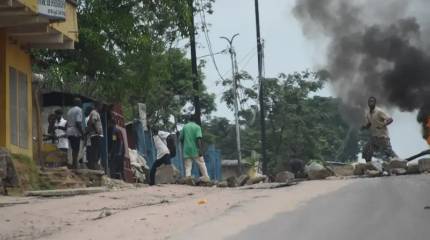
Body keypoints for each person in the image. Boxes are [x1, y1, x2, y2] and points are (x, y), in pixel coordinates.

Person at [361, 97, 398, 162]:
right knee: (366, 150)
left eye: (372, 101)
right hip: (375, 137)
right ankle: (369, 164)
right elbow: (370, 123)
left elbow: (390, 119)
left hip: (383, 137)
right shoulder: (368, 114)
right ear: (368, 103)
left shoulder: (379, 111)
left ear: (375, 103)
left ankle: (400, 162)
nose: (371, 103)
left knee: (389, 152)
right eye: (369, 101)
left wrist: (382, 125)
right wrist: (365, 127)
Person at [180, 115, 210, 181]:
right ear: (195, 120)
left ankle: (188, 179)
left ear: (189, 120)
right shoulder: (197, 127)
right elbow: (198, 139)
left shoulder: (185, 127)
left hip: (186, 149)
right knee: (201, 163)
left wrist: (184, 146)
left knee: (188, 166)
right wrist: (200, 150)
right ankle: (206, 177)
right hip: (195, 149)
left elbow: (181, 138)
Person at [66, 98, 84, 169]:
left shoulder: (70, 110)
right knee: (76, 149)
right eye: (80, 102)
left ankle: (74, 163)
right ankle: (75, 164)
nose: (81, 104)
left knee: (73, 148)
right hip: (75, 131)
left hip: (69, 131)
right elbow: (78, 123)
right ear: (78, 103)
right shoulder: (79, 110)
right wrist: (82, 133)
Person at [86, 102, 104, 170]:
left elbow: (89, 123)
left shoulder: (94, 113)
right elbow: (92, 122)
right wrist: (97, 131)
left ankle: (94, 165)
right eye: (101, 106)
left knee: (96, 151)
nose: (101, 107)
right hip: (95, 135)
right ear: (98, 105)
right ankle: (94, 166)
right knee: (96, 151)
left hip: (95, 135)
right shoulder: (94, 113)